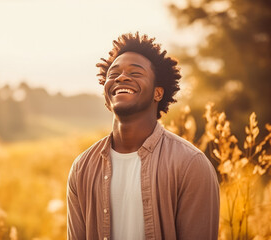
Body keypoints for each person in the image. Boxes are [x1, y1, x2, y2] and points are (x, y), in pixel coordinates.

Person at [67, 32, 220, 240]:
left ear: (158, 93)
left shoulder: (190, 164)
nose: (121, 77)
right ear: (106, 96)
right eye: (113, 74)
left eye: (135, 73)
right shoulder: (82, 168)